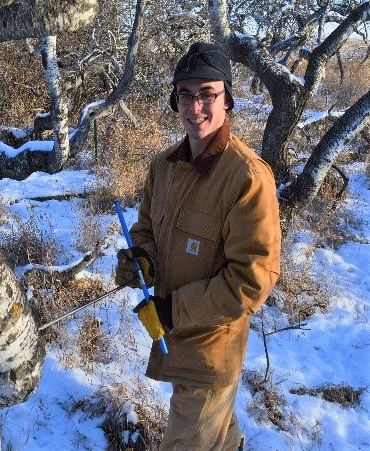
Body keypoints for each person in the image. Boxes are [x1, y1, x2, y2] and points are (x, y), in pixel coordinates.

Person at [115, 42, 281, 450]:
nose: (196, 107)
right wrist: (141, 260)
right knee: (218, 435)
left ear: (227, 100)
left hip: (212, 350)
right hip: (176, 339)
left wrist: (174, 310)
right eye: (186, 95)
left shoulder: (247, 177)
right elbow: (147, 231)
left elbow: (251, 280)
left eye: (208, 94)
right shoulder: (163, 167)